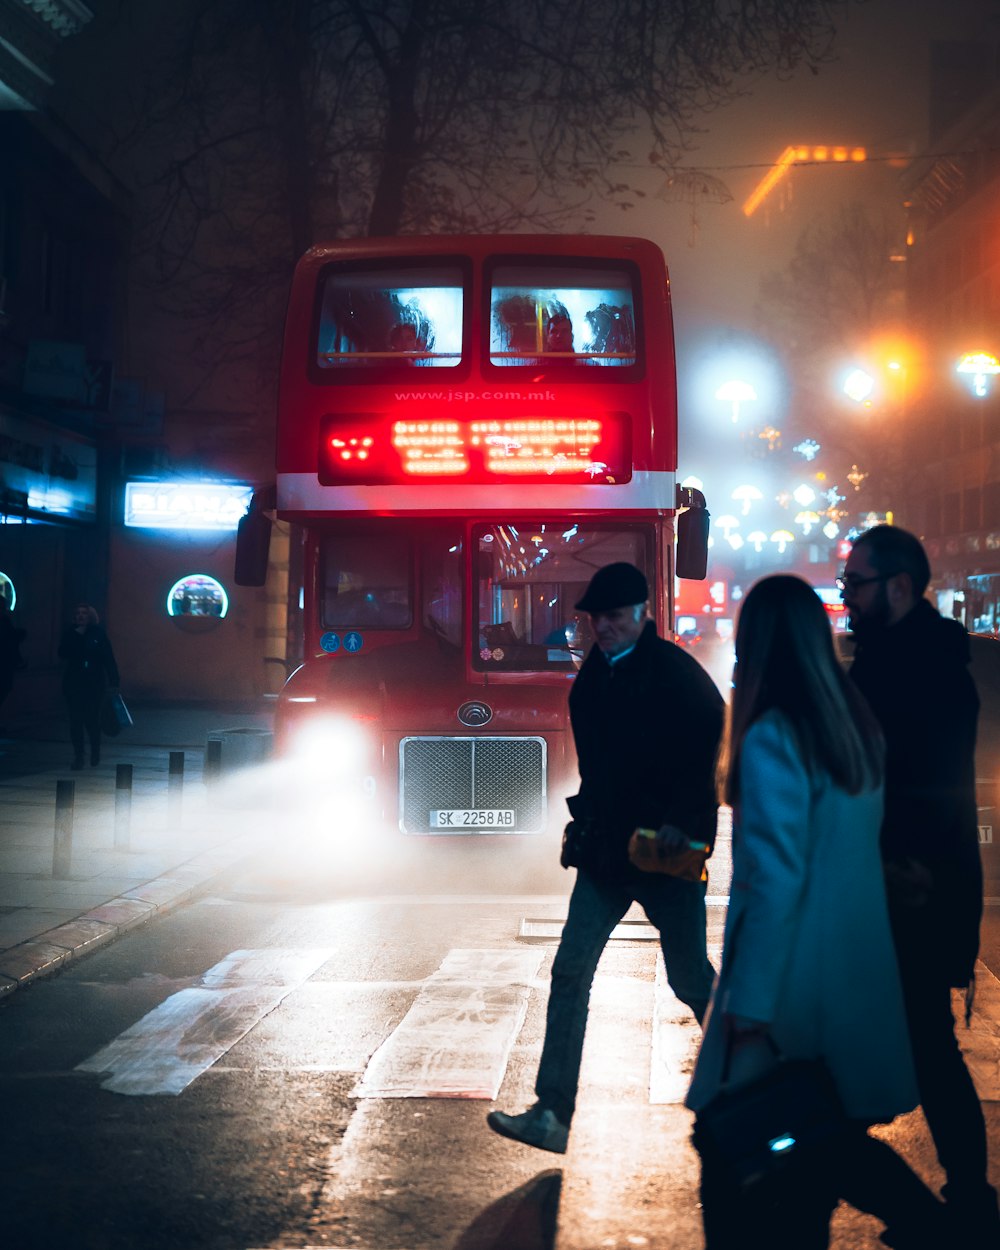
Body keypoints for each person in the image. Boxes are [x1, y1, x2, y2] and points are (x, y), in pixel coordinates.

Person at [687, 574, 944, 1249]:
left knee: (735, 1145)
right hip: (851, 986)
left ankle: (936, 1225)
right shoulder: (852, 729)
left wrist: (749, 1011)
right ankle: (932, 1223)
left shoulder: (773, 739)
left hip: (791, 998)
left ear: (757, 645)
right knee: (810, 1164)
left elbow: (775, 883)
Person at [487, 561, 724, 1153]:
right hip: (613, 850)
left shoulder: (670, 675)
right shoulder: (599, 678)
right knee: (571, 971)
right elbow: (602, 770)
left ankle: (750, 1089)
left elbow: (705, 760)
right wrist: (586, 824)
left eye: (615, 617)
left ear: (643, 614)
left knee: (690, 976)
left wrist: (684, 823)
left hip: (666, 849)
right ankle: (552, 1112)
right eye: (597, 618)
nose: (604, 627)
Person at [841, 525, 999, 1241]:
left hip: (913, 888)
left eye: (857, 585)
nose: (847, 598)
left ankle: (953, 1207)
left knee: (923, 1048)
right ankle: (964, 1200)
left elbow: (926, 785)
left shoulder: (921, 668)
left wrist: (905, 866)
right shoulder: (901, 657)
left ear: (898, 587)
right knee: (926, 1049)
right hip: (902, 882)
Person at [58, 602, 120, 769]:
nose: (80, 616)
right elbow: (63, 653)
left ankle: (95, 752)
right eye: (77, 613)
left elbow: (108, 657)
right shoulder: (70, 633)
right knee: (75, 721)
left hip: (94, 684)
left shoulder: (98, 634)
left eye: (84, 613)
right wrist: (76, 637)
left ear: (90, 616)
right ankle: (79, 755)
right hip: (74, 683)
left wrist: (114, 681)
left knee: (92, 720)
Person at [0, 598, 26, 715]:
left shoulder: (5, 620)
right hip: (4, 663)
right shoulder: (4, 620)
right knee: (4, 687)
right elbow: (9, 639)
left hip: (5, 663)